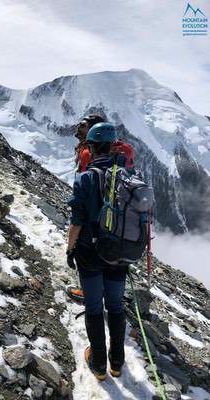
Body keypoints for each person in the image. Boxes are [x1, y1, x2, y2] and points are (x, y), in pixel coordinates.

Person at [66, 122, 129, 380]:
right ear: (114, 146)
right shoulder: (128, 177)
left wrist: (70, 249)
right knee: (115, 306)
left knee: (93, 307)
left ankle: (99, 364)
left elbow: (76, 222)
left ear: (90, 148)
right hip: (119, 253)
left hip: (89, 254)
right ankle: (117, 362)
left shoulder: (84, 178)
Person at [66, 118, 135, 304]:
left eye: (84, 125)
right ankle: (111, 293)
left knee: (93, 249)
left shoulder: (88, 154)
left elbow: (88, 179)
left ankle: (92, 292)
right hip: (120, 223)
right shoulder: (119, 156)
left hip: (95, 210)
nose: (79, 127)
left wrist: (70, 247)